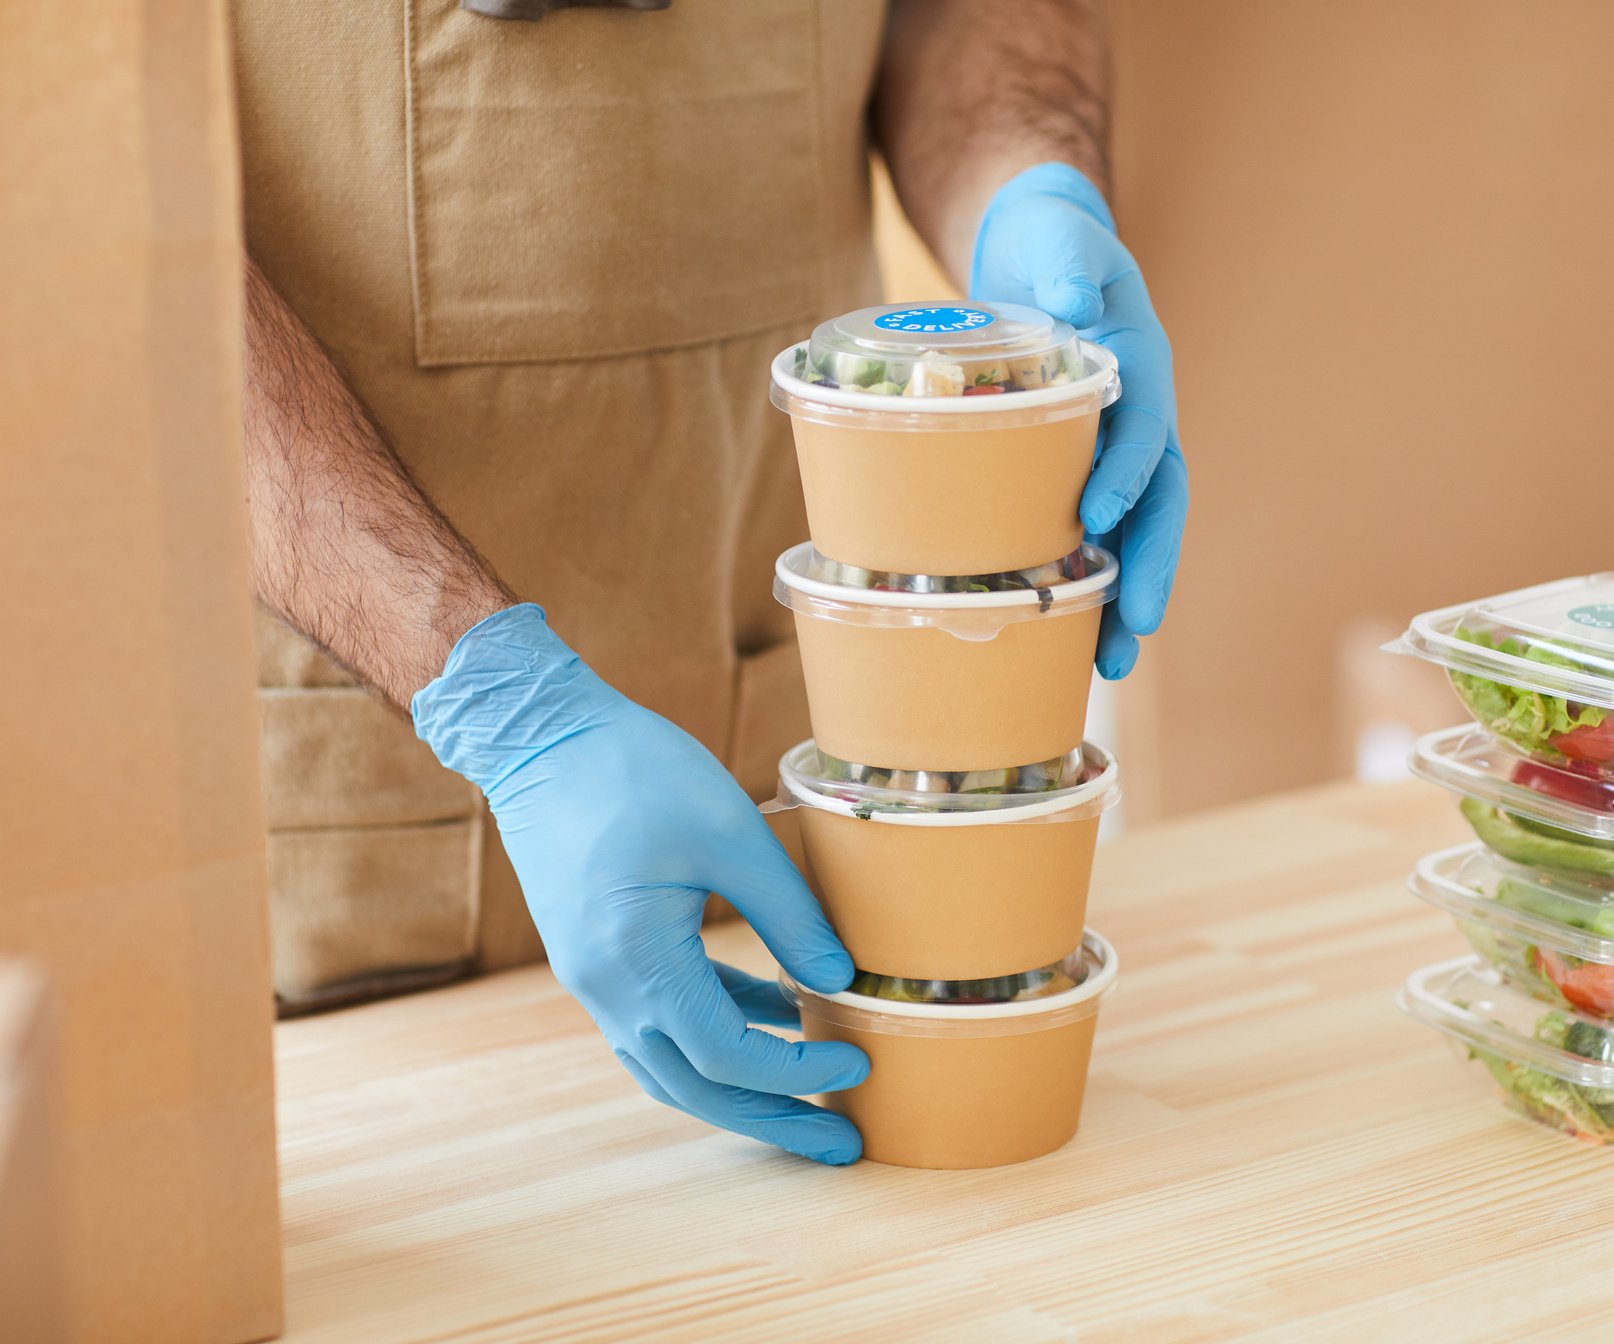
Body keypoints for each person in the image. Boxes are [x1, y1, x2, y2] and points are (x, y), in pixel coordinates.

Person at [234, 0, 1184, 1165]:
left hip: (810, 740)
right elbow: (75, 222)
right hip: (355, 846)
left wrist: (1024, 179)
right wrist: (501, 708)